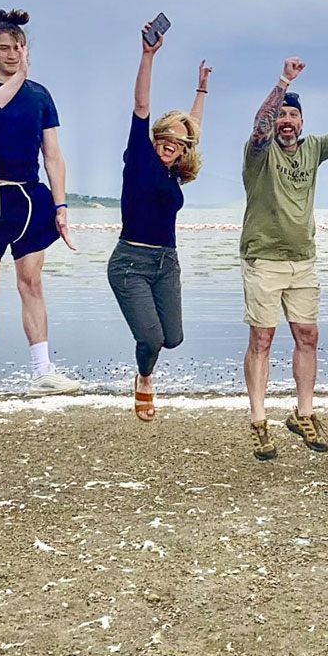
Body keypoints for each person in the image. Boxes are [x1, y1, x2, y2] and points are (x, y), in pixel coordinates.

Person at [0, 9, 81, 401]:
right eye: (4, 48)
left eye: (19, 47)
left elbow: (53, 156)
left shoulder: (40, 95)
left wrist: (60, 206)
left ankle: (42, 371)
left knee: (32, 283)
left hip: (29, 199)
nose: (12, 54)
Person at [240, 56, 328, 459]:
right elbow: (260, 125)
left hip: (303, 259)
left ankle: (303, 413)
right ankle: (259, 421)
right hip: (263, 258)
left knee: (307, 336)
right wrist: (282, 82)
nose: (286, 121)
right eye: (281, 115)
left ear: (302, 122)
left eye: (293, 114)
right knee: (262, 338)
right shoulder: (259, 152)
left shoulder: (312, 148)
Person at [107, 21, 207, 424]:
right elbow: (142, 104)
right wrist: (148, 55)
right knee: (151, 338)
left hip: (167, 264)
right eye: (165, 136)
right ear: (156, 136)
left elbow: (194, 132)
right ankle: (144, 380)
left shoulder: (173, 174)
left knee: (174, 338)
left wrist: (201, 90)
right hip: (129, 263)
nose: (171, 143)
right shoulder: (141, 159)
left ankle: (147, 366)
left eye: (179, 142)